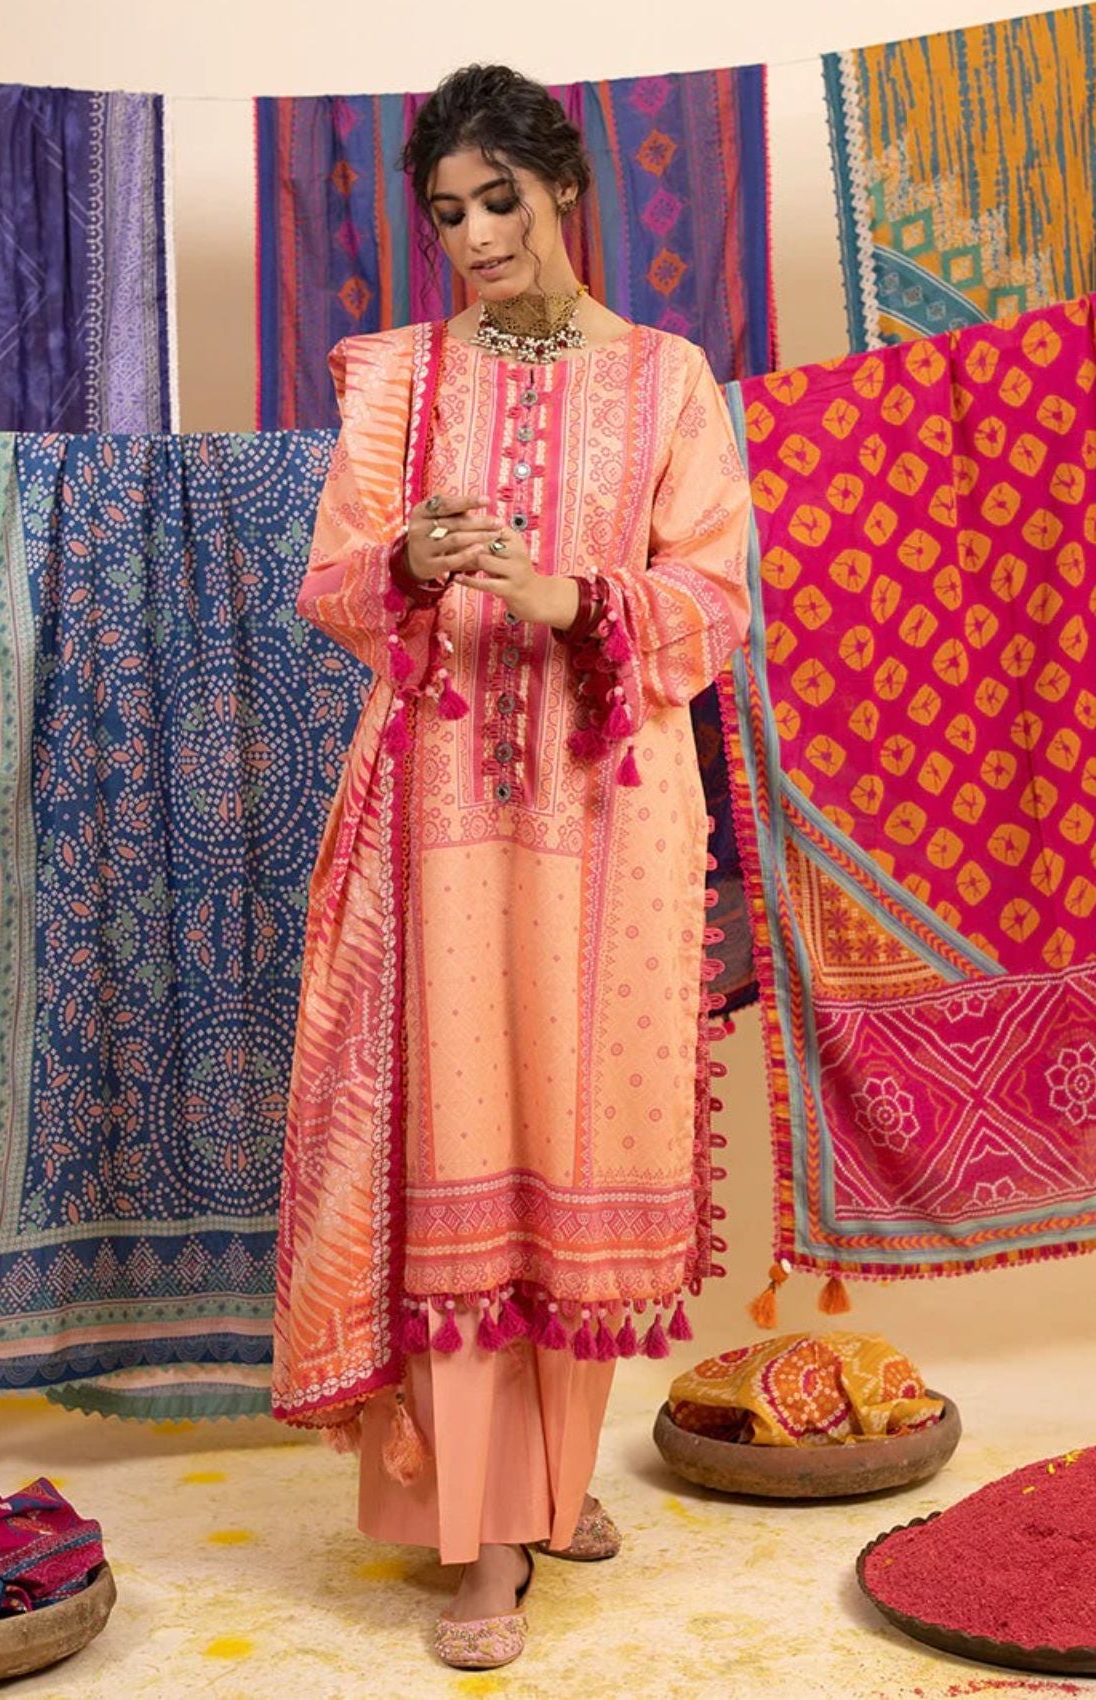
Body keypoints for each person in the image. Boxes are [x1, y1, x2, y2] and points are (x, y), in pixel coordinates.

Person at [272, 62, 751, 1670]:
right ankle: (483, 1544)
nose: (477, 236)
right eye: (450, 213)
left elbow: (716, 597)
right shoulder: (403, 380)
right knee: (464, 1156)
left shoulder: (668, 379)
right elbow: (334, 582)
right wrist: (411, 558)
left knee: (580, 1155)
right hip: (440, 827)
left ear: (565, 192)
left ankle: (549, 1481)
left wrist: (567, 599)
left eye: (502, 200)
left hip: (611, 822)